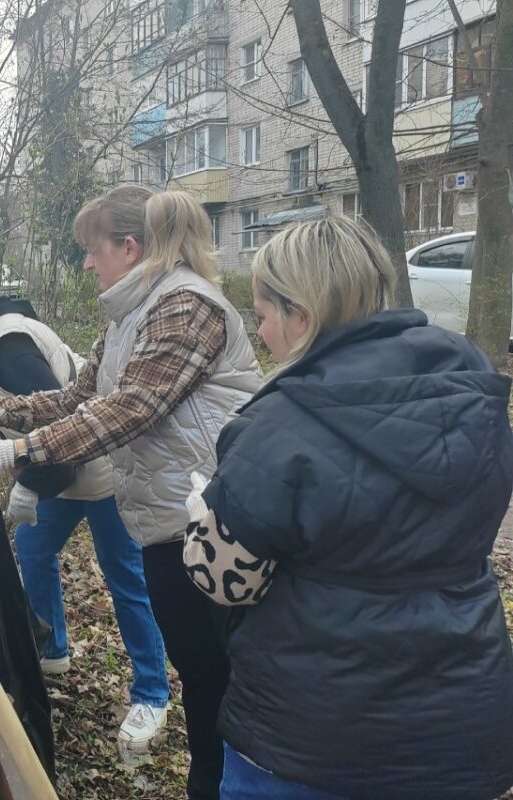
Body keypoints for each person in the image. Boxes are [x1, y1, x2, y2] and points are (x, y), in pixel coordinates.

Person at [0, 187, 261, 799]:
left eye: (93, 250)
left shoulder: (186, 307)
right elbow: (78, 399)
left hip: (214, 521)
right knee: (200, 671)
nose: (87, 263)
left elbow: (131, 409)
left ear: (129, 247)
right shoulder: (128, 317)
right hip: (169, 520)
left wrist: (19, 453)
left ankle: (219, 785)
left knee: (220, 678)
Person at [183, 217, 513, 799]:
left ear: (300, 316)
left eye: (261, 315)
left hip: (314, 737)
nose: (260, 334)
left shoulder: (280, 423)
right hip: (458, 722)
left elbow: (226, 581)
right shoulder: (472, 386)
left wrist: (200, 516)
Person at [0, 271, 170, 758]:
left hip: (93, 474)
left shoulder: (6, 345)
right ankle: (53, 649)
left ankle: (152, 694)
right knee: (33, 551)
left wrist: (31, 487)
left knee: (125, 579)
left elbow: (64, 421)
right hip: (64, 474)